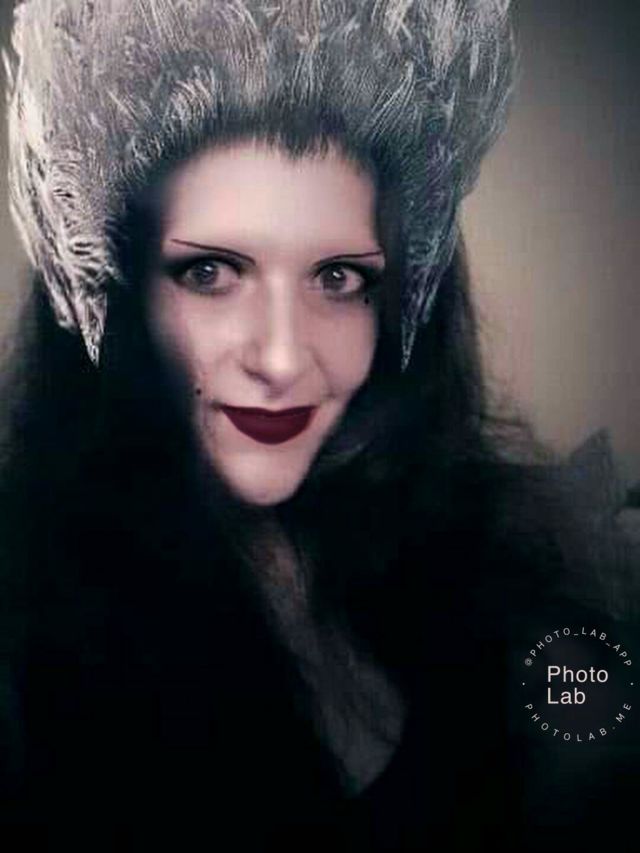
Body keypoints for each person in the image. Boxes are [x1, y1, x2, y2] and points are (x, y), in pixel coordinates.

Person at [0, 1, 636, 849]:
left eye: (337, 278)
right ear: (116, 288)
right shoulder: (32, 642)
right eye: (211, 271)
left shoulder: (461, 547)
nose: (281, 357)